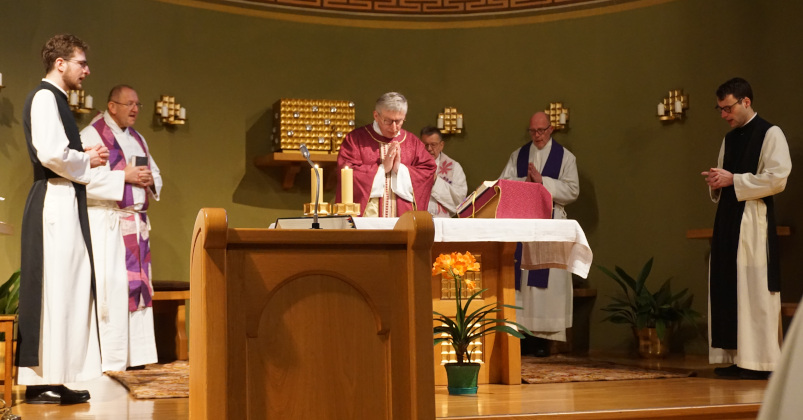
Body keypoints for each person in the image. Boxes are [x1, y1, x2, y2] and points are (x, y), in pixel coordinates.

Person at [17, 34, 109, 405]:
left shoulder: (54, 100)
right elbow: (51, 153)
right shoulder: (44, 97)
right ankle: (47, 377)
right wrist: (88, 160)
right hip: (54, 200)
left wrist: (81, 152)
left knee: (66, 288)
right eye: (81, 63)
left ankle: (52, 375)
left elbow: (58, 150)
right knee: (56, 288)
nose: (86, 70)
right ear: (60, 64)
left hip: (63, 197)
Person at [702, 77, 791, 380]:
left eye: (727, 108)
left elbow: (778, 178)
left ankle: (762, 362)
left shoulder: (770, 133)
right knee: (729, 286)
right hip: (728, 219)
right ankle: (737, 357)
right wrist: (717, 182)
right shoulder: (729, 139)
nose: (724, 115)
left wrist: (735, 180)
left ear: (746, 102)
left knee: (753, 289)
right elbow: (725, 176)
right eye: (720, 109)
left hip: (754, 220)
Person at [80, 85, 162, 372]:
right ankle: (112, 358)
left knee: (136, 288)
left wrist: (149, 178)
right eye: (129, 103)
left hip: (134, 225)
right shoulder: (92, 135)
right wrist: (123, 175)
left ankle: (136, 357)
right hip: (108, 224)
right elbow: (84, 180)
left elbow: (154, 173)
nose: (135, 109)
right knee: (112, 290)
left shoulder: (138, 138)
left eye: (138, 104)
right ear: (112, 106)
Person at [498, 111, 579, 356]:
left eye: (541, 131)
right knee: (523, 281)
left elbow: (572, 190)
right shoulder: (518, 155)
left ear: (551, 129)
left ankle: (544, 340)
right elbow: (504, 183)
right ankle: (522, 338)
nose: (537, 136)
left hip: (550, 222)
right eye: (533, 131)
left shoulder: (565, 157)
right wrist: (526, 181)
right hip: (524, 222)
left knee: (547, 283)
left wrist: (543, 182)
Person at [336, 92, 436, 217]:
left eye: (399, 121)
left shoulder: (412, 142)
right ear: (376, 115)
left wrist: (400, 169)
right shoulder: (356, 140)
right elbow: (346, 171)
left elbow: (428, 170)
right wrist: (382, 169)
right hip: (369, 215)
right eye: (388, 121)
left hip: (403, 217)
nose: (394, 127)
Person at [420, 126, 467, 218]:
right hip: (418, 221)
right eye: (425, 145)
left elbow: (460, 201)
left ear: (441, 145)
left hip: (443, 221)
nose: (429, 149)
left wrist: (435, 180)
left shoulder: (454, 168)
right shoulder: (413, 166)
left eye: (433, 145)